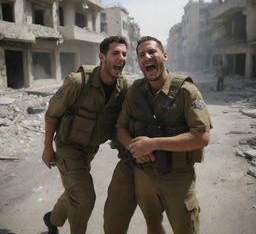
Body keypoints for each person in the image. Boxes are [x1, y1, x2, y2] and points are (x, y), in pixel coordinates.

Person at [116, 36, 212, 234]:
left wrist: (153, 144)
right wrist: (134, 149)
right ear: (139, 63)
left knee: (185, 229)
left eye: (152, 52)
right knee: (153, 226)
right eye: (142, 55)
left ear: (164, 56)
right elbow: (120, 127)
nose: (147, 57)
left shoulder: (187, 91)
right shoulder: (135, 91)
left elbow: (202, 136)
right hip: (144, 176)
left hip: (177, 178)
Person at [42, 36, 128, 234]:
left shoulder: (122, 87)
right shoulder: (77, 82)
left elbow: (120, 122)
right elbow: (52, 115)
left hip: (90, 149)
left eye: (124, 54)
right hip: (68, 147)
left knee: (75, 191)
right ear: (102, 57)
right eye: (115, 53)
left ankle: (52, 220)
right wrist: (48, 148)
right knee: (84, 196)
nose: (121, 58)